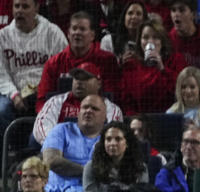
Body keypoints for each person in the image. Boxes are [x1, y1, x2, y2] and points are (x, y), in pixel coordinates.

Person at [0, 0, 68, 133]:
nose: (19, 10)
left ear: (36, 8)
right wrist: (14, 95)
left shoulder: (52, 32)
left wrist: (44, 91)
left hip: (46, 93)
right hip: (13, 93)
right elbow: (1, 75)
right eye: (17, 6)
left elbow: (64, 68)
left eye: (25, 7)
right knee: (1, 110)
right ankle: (8, 151)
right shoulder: (3, 36)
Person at [35, 11, 120, 111]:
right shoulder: (53, 64)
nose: (77, 33)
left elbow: (113, 97)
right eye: (74, 29)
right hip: (60, 121)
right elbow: (42, 101)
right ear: (68, 34)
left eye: (82, 29)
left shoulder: (108, 61)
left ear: (92, 35)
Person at [42, 93, 107, 192]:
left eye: (94, 109)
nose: (88, 111)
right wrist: (88, 172)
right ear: (78, 113)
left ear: (104, 116)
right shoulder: (61, 130)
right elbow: (51, 161)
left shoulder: (108, 137)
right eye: (85, 107)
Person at [33, 63, 123, 145]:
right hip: (60, 152)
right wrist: (57, 145)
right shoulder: (56, 101)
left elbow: (114, 132)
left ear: (98, 83)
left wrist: (87, 149)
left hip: (94, 155)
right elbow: (41, 126)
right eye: (76, 78)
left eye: (85, 78)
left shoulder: (110, 108)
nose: (79, 82)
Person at [82, 120, 150, 192]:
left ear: (126, 143)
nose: (112, 143)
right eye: (108, 139)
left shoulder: (140, 168)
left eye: (118, 139)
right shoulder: (90, 168)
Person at [119, 20, 187, 114]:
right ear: (140, 41)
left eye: (155, 38)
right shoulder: (131, 65)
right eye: (145, 38)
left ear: (162, 41)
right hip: (139, 120)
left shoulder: (176, 60)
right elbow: (126, 101)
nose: (150, 42)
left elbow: (183, 91)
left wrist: (163, 69)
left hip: (169, 118)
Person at [168, 0, 200, 70]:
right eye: (173, 10)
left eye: (181, 10)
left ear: (193, 14)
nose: (176, 14)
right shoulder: (168, 40)